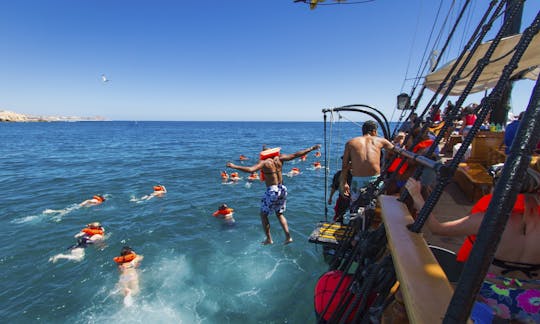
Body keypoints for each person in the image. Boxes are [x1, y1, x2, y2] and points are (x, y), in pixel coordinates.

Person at [405, 166, 540, 323]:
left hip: (489, 293)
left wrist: (416, 196)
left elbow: (437, 228)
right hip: (533, 296)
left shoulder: (489, 220)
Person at [226, 144, 321, 245]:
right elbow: (295, 155)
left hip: (272, 190)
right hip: (282, 188)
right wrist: (311, 148)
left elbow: (251, 170)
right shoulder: (280, 158)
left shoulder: (264, 162)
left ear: (263, 153)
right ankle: (288, 237)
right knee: (279, 214)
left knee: (263, 215)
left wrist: (234, 166)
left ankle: (269, 239)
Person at [341, 120, 394, 205]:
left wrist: (344, 183)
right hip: (375, 180)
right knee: (376, 206)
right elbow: (395, 151)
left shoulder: (350, 143)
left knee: (355, 206)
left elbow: (344, 166)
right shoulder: (380, 141)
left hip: (357, 181)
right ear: (374, 131)